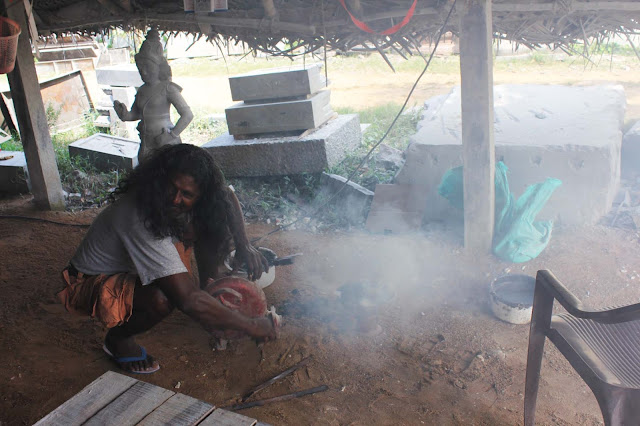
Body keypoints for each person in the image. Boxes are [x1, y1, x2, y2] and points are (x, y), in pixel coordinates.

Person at [58, 144, 275, 374]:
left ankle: (209, 293)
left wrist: (243, 245)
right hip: (88, 283)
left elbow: (225, 196)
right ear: (159, 180)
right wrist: (253, 325)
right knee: (163, 298)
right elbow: (187, 299)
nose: (174, 199)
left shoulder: (170, 205)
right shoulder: (138, 217)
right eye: (171, 187)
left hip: (130, 267)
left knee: (211, 219)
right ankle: (118, 341)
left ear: (200, 195)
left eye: (187, 194)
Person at [114, 28, 194, 161]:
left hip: (164, 140)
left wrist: (172, 135)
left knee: (167, 170)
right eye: (140, 69)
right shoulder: (141, 90)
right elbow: (136, 113)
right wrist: (125, 115)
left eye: (148, 67)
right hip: (146, 141)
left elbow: (187, 114)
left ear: (158, 67)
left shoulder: (168, 88)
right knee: (146, 170)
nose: (144, 72)